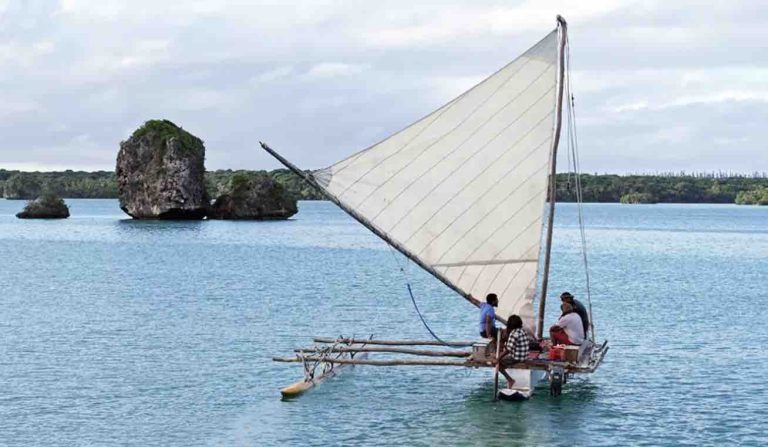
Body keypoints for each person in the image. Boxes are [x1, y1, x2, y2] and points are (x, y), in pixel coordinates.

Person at [496, 315, 530, 388]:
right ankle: (506, 368)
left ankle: (510, 380)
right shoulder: (523, 331)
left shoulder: (513, 334)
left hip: (517, 358)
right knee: (502, 358)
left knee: (497, 364)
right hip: (525, 356)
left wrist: (498, 358)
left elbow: (509, 349)